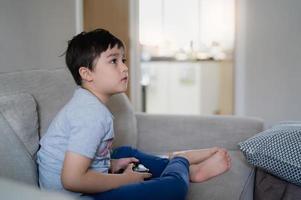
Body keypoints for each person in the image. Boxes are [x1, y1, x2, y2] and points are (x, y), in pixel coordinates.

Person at [37, 28, 231, 200]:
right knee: (175, 188)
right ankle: (184, 164)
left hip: (81, 184)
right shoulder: (90, 115)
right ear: (87, 74)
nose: (124, 67)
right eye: (113, 61)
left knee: (125, 154)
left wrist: (112, 164)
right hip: (78, 194)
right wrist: (124, 180)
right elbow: (72, 180)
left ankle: (184, 167)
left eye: (123, 60)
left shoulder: (87, 104)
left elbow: (85, 162)